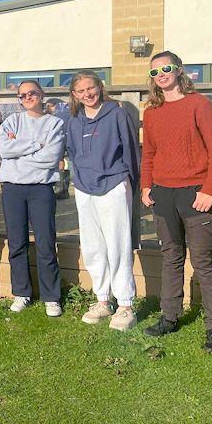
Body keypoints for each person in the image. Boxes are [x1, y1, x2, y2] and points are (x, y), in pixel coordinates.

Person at [140, 51, 212, 353]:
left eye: (166, 68)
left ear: (179, 70)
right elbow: (149, 153)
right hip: (163, 193)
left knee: (203, 262)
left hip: (196, 193)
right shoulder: (151, 111)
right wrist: (146, 186)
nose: (161, 75)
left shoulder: (199, 105)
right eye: (155, 72)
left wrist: (209, 190)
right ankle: (170, 317)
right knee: (171, 257)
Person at [66, 71, 140, 331]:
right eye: (81, 91)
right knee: (93, 245)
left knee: (117, 243)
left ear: (100, 87)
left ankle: (126, 304)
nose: (87, 94)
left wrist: (131, 182)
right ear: (74, 95)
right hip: (85, 187)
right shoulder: (73, 120)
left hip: (114, 184)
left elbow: (131, 150)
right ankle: (102, 300)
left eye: (91, 88)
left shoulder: (117, 114)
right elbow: (73, 152)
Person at [0, 81, 66, 317]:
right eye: (22, 95)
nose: (28, 97)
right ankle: (21, 293)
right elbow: (4, 150)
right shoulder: (12, 121)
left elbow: (50, 158)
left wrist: (20, 153)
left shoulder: (55, 123)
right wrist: (36, 145)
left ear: (41, 95)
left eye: (32, 93)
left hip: (41, 188)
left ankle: (51, 296)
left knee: (46, 242)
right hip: (13, 189)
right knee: (16, 243)